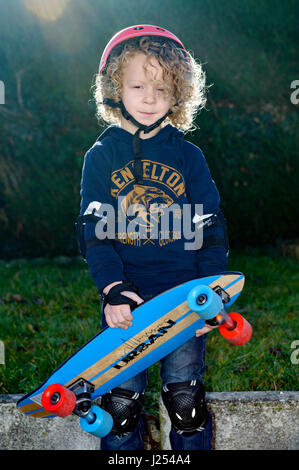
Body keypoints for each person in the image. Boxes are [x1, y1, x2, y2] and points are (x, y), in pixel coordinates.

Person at [77, 25, 229, 450]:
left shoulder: (189, 156)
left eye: (161, 89)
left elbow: (210, 228)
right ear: (114, 88)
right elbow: (94, 234)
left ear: (178, 93)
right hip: (127, 301)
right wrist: (112, 290)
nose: (148, 98)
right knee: (121, 408)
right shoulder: (101, 157)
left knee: (186, 400)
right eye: (138, 85)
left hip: (184, 298)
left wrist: (210, 291)